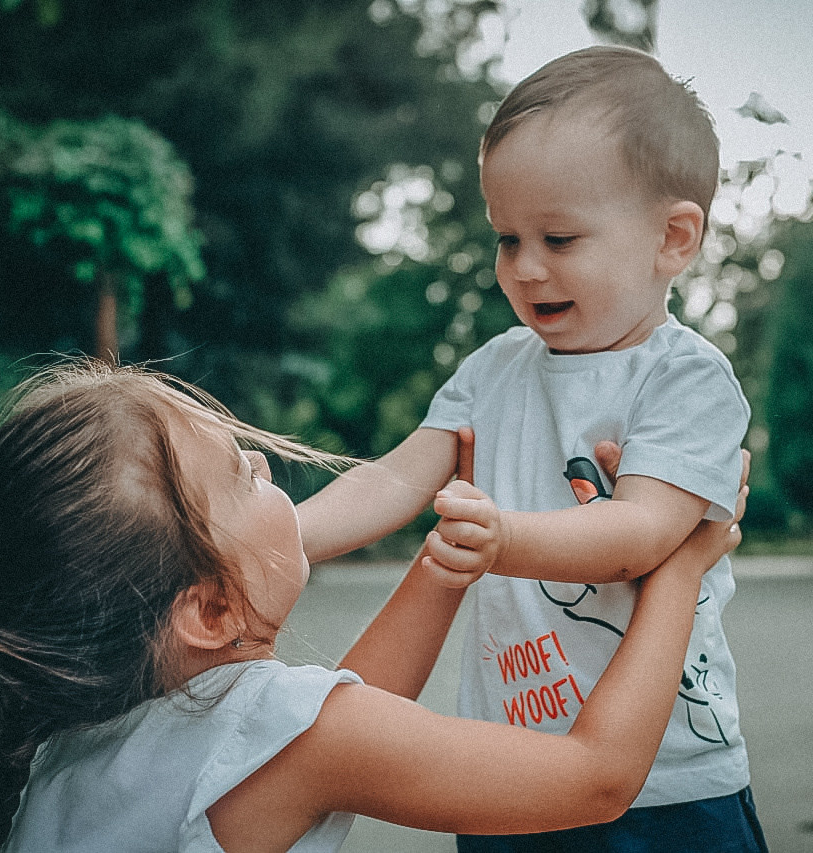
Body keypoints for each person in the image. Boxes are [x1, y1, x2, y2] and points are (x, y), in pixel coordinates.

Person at [0, 360, 747, 853]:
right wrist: (682, 560)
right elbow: (596, 778)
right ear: (212, 612)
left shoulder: (73, 738)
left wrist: (444, 563)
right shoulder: (296, 737)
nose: (263, 461)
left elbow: (336, 718)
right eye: (240, 476)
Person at [297, 45, 766, 852]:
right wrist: (280, 537)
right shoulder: (494, 368)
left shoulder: (686, 378)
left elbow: (641, 534)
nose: (525, 267)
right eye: (507, 237)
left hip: (663, 778)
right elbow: (396, 477)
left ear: (674, 237)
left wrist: (503, 540)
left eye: (558, 236)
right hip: (507, 764)